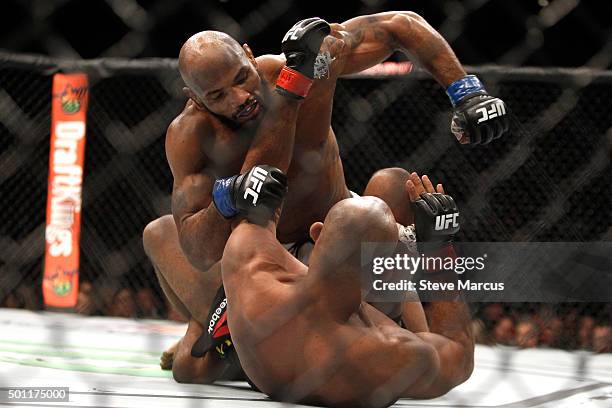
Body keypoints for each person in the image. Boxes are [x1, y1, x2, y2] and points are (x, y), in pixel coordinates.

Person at [144, 12, 506, 383]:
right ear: (196, 99)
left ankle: (386, 325)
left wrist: (466, 91)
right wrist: (228, 197)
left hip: (335, 237)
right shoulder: (190, 135)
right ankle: (219, 327)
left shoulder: (306, 66)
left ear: (250, 56)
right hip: (267, 258)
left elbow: (398, 24)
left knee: (394, 185)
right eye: (217, 95)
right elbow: (197, 250)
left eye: (241, 78)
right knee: (159, 233)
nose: (240, 98)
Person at [221, 164, 474, 406]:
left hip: (261, 366)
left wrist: (248, 187)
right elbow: (460, 357)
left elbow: (225, 196)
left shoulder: (247, 264)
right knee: (395, 185)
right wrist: (439, 250)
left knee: (390, 186)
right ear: (382, 273)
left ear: (317, 233)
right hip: (354, 362)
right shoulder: (396, 353)